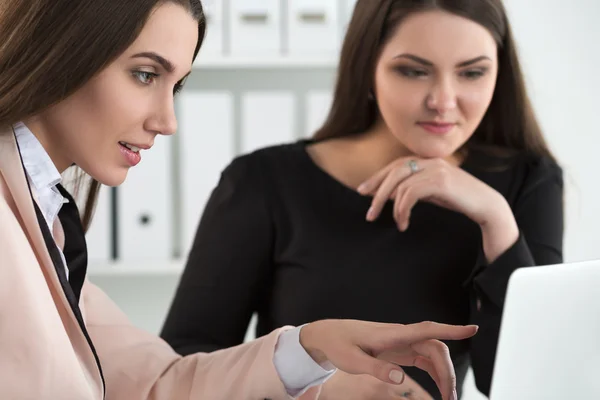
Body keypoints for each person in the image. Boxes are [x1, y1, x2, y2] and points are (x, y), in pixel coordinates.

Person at [0, 0, 479, 399]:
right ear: (62, 51)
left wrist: (313, 348)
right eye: (146, 74)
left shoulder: (47, 218)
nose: (167, 121)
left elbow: (156, 386)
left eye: (177, 85)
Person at [160, 0, 564, 399]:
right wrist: (313, 387)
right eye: (413, 71)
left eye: (472, 72)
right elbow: (182, 370)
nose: (444, 101)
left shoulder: (528, 181)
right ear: (367, 66)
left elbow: (533, 385)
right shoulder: (264, 182)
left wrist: (496, 218)